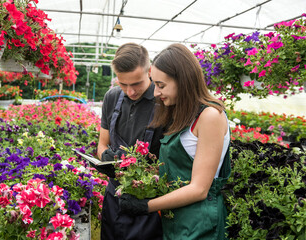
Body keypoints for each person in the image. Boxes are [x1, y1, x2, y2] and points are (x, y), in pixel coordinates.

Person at [119, 43, 231, 240]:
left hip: (200, 224)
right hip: (176, 219)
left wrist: (145, 206)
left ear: (184, 81)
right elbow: (177, 169)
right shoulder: (183, 114)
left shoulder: (209, 116)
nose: (155, 93)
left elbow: (199, 189)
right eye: (155, 85)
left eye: (161, 86)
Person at [95, 43, 164, 240]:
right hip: (113, 196)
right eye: (123, 84)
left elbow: (172, 161)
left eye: (136, 84)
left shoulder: (163, 102)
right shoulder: (112, 97)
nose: (130, 92)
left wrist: (139, 168)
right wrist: (105, 157)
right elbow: (102, 144)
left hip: (147, 201)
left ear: (149, 72)